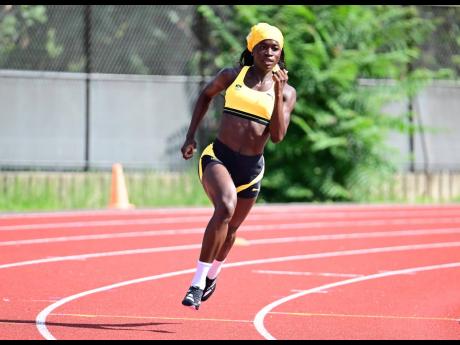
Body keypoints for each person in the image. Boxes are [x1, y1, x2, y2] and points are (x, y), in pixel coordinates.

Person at [180, 22, 296, 310]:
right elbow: (206, 95)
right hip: (218, 157)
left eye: (275, 48)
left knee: (231, 230)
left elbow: (278, 136)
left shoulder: (287, 92)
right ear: (251, 49)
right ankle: (196, 283)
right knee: (225, 207)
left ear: (281, 54)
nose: (269, 52)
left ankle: (213, 276)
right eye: (263, 46)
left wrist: (280, 90)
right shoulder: (232, 76)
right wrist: (190, 136)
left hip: (251, 169)